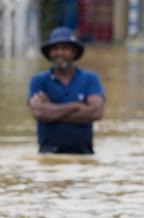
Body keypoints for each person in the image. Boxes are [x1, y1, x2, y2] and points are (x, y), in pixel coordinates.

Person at [28, 26, 105, 154]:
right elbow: (39, 113)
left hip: (84, 157)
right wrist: (76, 106)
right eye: (55, 49)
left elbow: (96, 112)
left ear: (74, 52)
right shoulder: (39, 80)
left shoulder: (90, 78)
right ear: (50, 53)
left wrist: (51, 110)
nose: (59, 53)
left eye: (65, 49)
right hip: (48, 158)